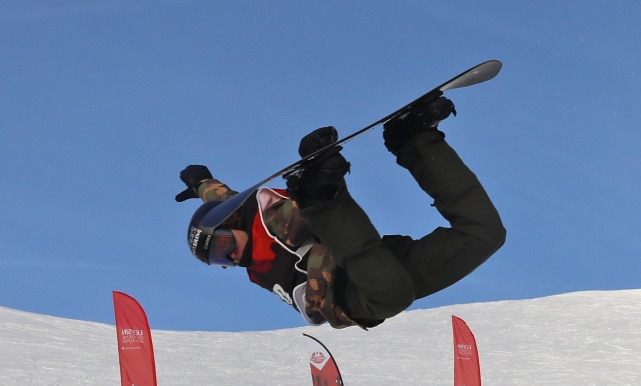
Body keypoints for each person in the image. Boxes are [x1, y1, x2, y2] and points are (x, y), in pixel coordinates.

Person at [178, 94, 505, 329]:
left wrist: (201, 182)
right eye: (221, 260)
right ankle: (321, 196)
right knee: (392, 292)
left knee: (484, 234)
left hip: (376, 259)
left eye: (223, 247)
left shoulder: (248, 209)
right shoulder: (263, 271)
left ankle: (413, 139)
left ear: (228, 221)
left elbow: (220, 199)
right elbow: (315, 307)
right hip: (350, 294)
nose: (231, 258)